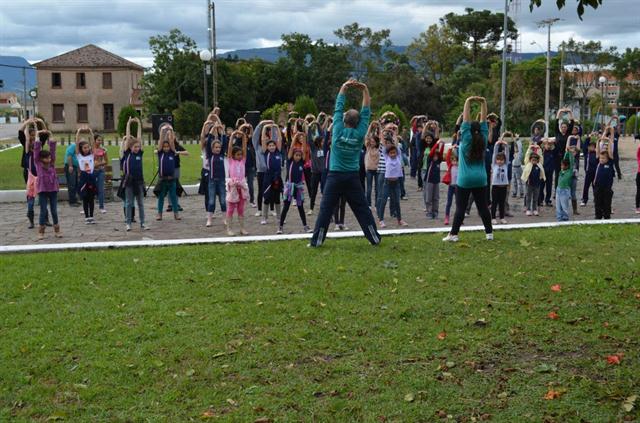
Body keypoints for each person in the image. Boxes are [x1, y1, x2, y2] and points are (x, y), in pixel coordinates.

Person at [310, 79, 381, 247]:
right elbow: (366, 111)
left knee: (326, 210)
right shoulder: (360, 132)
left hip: (334, 176)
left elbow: (338, 107)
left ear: (343, 120)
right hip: (352, 177)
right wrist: (364, 89)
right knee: (362, 209)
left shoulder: (337, 130)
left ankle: (317, 241)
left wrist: (343, 88)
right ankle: (374, 238)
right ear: (358, 122)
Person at [443, 96, 493, 242]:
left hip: (465, 179)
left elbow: (465, 120)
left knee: (460, 208)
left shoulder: (465, 138)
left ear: (468, 130)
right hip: (481, 178)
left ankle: (453, 235)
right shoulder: (483, 139)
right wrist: (483, 102)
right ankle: (489, 234)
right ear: (481, 130)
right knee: (483, 207)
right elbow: (484, 121)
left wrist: (468, 101)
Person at [121, 117, 148, 231]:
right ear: (130, 147)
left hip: (139, 181)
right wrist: (128, 124)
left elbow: (139, 138)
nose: (137, 148)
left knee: (140, 203)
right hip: (129, 181)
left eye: (138, 147)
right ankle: (128, 223)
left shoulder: (139, 154)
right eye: (135, 147)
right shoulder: (127, 154)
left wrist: (138, 124)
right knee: (128, 203)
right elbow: (128, 138)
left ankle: (143, 223)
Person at [33, 131, 61, 240]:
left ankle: (57, 230)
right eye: (46, 158)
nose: (49, 160)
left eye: (49, 158)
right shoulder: (38, 164)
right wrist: (37, 136)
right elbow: (36, 151)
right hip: (43, 191)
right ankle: (41, 232)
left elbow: (53, 149)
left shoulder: (52, 164)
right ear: (41, 159)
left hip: (53, 190)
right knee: (43, 211)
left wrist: (50, 135)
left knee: (54, 210)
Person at [278, 148, 311, 234]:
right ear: (293, 155)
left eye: (299, 156)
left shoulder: (301, 162)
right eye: (296, 155)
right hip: (289, 187)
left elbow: (304, 150)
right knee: (286, 207)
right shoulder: (289, 161)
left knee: (301, 208)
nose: (298, 157)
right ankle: (280, 227)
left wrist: (303, 137)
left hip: (298, 187)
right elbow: (291, 148)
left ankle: (305, 226)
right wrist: (296, 136)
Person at [225, 127, 250, 236]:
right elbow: (230, 148)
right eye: (238, 154)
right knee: (231, 208)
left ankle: (242, 228)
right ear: (233, 155)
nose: (240, 156)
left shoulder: (243, 161)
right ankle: (229, 229)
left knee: (241, 209)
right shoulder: (231, 161)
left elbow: (244, 147)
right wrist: (232, 135)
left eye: (241, 154)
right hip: (233, 187)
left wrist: (244, 136)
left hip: (241, 187)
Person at [376, 144, 407, 228]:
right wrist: (383, 132)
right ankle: (381, 220)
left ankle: (399, 220)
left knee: (396, 202)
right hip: (387, 183)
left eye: (394, 152)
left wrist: (394, 133)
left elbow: (396, 144)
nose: (393, 154)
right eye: (391, 153)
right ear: (388, 154)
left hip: (396, 183)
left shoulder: (398, 157)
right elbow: (383, 146)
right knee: (384, 201)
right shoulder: (386, 158)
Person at [156, 127, 181, 221]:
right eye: (164, 147)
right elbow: (161, 140)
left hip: (172, 179)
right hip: (162, 179)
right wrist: (162, 131)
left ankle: (176, 213)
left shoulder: (172, 153)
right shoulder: (160, 153)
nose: (166, 148)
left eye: (167, 146)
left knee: (173, 197)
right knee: (161, 197)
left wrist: (171, 131)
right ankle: (159, 213)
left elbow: (171, 141)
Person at [260, 124, 283, 225]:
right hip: (268, 177)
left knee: (277, 198)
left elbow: (280, 139)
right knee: (267, 198)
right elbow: (263, 139)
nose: (272, 147)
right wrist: (265, 127)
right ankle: (264, 218)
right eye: (270, 145)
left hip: (277, 177)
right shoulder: (266, 152)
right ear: (267, 147)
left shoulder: (278, 152)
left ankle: (279, 217)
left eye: (273, 145)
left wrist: (276, 127)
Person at [205, 125, 226, 226]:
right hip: (212, 181)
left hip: (221, 181)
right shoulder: (210, 155)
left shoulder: (222, 155)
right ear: (212, 148)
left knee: (223, 200)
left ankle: (224, 219)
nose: (218, 149)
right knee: (211, 201)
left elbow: (224, 141)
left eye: (219, 147)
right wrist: (213, 129)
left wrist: (222, 130)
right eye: (216, 147)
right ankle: (209, 219)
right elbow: (209, 140)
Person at [76, 126, 97, 224]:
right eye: (84, 148)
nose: (87, 149)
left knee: (91, 198)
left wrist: (90, 132)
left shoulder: (91, 155)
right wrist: (79, 132)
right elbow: (76, 144)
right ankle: (86, 216)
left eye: (88, 147)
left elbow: (93, 143)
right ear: (81, 148)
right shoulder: (79, 156)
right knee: (85, 198)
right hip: (84, 177)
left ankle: (91, 216)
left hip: (91, 177)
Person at [593, 134, 615, 220]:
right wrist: (598, 141)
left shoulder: (609, 162)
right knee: (597, 202)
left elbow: (610, 152)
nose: (601, 160)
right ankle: (598, 217)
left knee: (607, 203)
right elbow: (598, 152)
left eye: (603, 159)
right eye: (600, 159)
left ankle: (607, 217)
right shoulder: (598, 163)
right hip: (598, 187)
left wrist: (609, 141)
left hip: (607, 188)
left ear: (607, 159)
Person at [490, 138, 510, 224]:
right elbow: (494, 154)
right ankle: (493, 217)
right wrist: (497, 144)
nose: (500, 161)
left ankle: (502, 217)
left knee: (502, 203)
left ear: (504, 161)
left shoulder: (505, 165)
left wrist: (505, 145)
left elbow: (507, 154)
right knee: (494, 203)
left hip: (503, 186)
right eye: (498, 160)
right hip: (495, 186)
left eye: (502, 160)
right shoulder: (494, 165)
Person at [554, 108, 575, 189]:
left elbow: (572, 122)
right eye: (562, 127)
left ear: (567, 128)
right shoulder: (557, 133)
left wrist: (570, 112)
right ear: (560, 127)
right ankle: (557, 190)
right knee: (557, 174)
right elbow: (556, 121)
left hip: (566, 156)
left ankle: (566, 189)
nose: (563, 128)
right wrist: (560, 112)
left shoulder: (568, 134)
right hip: (557, 157)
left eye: (565, 127)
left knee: (566, 173)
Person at [555, 150, 575, 222]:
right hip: (558, 190)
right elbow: (564, 158)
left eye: (563, 165)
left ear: (567, 166)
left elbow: (571, 162)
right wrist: (566, 152)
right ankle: (559, 219)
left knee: (564, 207)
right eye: (561, 165)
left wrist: (569, 153)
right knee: (558, 206)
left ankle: (565, 219)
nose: (562, 166)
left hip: (565, 191)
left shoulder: (569, 171)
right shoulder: (561, 171)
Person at [443, 144, 459, 226]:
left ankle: (459, 218)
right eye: (453, 160)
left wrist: (458, 149)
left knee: (458, 203)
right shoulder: (450, 166)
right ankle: (447, 217)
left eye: (456, 160)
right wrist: (451, 148)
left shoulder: (460, 167)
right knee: (449, 203)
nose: (455, 162)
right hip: (451, 186)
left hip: (458, 187)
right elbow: (447, 157)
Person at [581, 137, 598, 207]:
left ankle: (596, 199)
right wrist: (589, 137)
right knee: (586, 187)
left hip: (595, 173)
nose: (591, 148)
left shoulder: (597, 154)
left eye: (593, 147)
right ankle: (584, 200)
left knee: (595, 187)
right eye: (590, 146)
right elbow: (584, 145)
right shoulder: (586, 153)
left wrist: (598, 139)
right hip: (588, 172)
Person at [93, 133, 108, 214]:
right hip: (91, 171)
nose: (100, 141)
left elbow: (106, 161)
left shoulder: (103, 150)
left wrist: (99, 164)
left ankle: (101, 206)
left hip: (100, 171)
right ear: (94, 140)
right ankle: (88, 206)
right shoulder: (90, 149)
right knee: (90, 189)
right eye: (98, 140)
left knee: (101, 189)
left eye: (101, 140)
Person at [64, 134, 80, 206]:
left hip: (75, 167)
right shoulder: (73, 146)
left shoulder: (78, 148)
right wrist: (70, 166)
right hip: (71, 166)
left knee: (75, 184)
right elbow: (69, 155)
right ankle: (72, 201)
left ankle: (74, 199)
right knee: (72, 184)